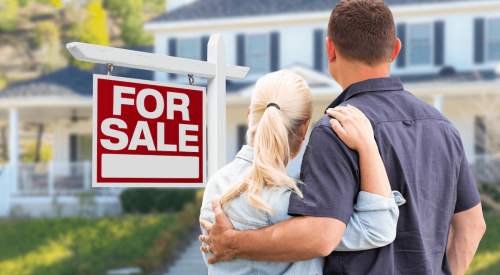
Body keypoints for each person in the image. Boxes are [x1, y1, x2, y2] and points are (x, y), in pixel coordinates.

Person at [200, 0, 486, 274]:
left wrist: (233, 243)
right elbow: (473, 225)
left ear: (330, 49)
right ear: (395, 50)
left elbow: (320, 235)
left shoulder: (335, 129)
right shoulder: (444, 128)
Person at [200, 70, 406, 274]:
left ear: (249, 115)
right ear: (303, 129)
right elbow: (376, 228)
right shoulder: (291, 202)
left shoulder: (215, 184)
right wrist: (368, 145)